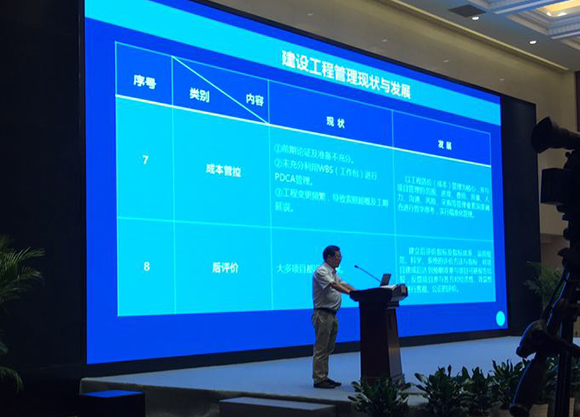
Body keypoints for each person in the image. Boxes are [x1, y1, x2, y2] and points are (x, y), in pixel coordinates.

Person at [311, 245, 355, 389]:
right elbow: (334, 285)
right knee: (321, 348)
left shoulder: (333, 272)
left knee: (328, 347)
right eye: (337, 256)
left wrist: (358, 292)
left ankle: (323, 376)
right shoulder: (321, 271)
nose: (340, 259)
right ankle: (319, 379)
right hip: (323, 314)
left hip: (332, 314)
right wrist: (351, 294)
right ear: (329, 257)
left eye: (340, 256)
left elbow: (343, 283)